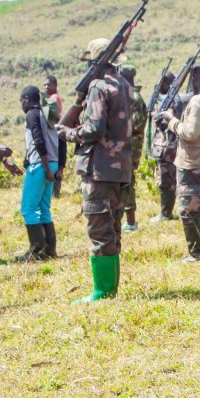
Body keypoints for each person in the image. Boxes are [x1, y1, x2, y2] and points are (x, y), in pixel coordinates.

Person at [56, 38, 132, 303]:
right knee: (113, 228)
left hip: (99, 170)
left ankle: (103, 291)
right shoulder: (124, 84)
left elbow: (94, 129)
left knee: (99, 230)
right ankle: (109, 289)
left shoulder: (99, 86)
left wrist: (68, 133)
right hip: (120, 170)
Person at [158, 63, 200, 262]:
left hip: (190, 163)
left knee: (187, 210)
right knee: (197, 208)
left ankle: (196, 253)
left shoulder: (197, 101)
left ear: (196, 77)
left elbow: (189, 133)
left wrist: (171, 120)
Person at [16, 86, 58, 261]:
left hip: (40, 165)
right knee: (43, 209)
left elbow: (38, 139)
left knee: (28, 209)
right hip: (52, 164)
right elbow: (60, 141)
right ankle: (49, 250)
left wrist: (46, 167)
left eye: (21, 101)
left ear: (26, 99)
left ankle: (35, 251)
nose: (21, 105)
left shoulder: (32, 114)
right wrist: (57, 167)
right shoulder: (48, 115)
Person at [146, 71, 181, 222]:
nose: (158, 87)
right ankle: (166, 212)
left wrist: (158, 118)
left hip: (168, 147)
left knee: (167, 182)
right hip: (167, 146)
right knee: (168, 181)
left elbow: (169, 121)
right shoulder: (171, 99)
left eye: (161, 83)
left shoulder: (173, 101)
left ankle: (166, 213)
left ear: (168, 84)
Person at [119, 65, 147, 232]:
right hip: (127, 145)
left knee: (128, 181)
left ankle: (131, 221)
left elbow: (136, 123)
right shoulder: (128, 95)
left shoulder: (133, 97)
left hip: (130, 146)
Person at [44, 75, 66, 197]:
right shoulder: (51, 97)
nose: (47, 86)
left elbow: (55, 115)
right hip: (56, 129)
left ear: (55, 85)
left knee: (57, 155)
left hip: (56, 129)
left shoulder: (54, 98)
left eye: (49, 84)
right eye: (45, 85)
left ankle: (55, 192)